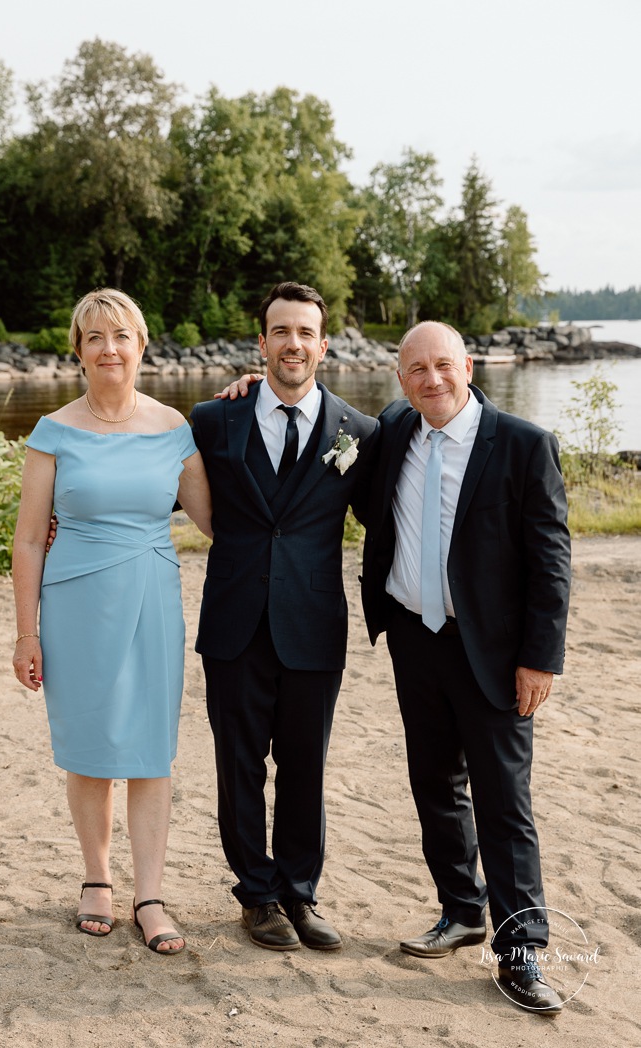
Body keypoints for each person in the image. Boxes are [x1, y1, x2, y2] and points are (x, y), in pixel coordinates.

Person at [360, 321, 571, 1012]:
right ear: (400, 380)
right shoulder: (394, 430)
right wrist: (251, 385)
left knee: (504, 804)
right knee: (433, 785)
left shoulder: (522, 445)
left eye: (443, 366)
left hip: (494, 652)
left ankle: (519, 954)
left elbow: (550, 564)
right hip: (413, 642)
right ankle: (461, 911)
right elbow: (323, 422)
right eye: (416, 369)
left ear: (467, 364)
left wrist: (540, 660)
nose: (432, 380)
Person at [12, 288, 212, 955]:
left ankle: (149, 893)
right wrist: (25, 631)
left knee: (152, 751)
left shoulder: (174, 429)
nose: (109, 349)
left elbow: (216, 523)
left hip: (151, 599)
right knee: (91, 746)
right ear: (78, 349)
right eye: (94, 337)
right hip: (72, 605)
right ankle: (96, 878)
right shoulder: (53, 432)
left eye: (121, 335)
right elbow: (28, 538)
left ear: (141, 345)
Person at [190, 282, 380, 951]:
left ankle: (300, 894)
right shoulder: (213, 420)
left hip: (313, 622)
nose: (293, 343)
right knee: (238, 763)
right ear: (261, 341)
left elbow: (391, 521)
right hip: (234, 622)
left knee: (306, 765)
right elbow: (150, 476)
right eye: (281, 331)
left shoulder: (361, 431)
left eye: (305, 332)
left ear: (323, 345)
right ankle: (257, 895)